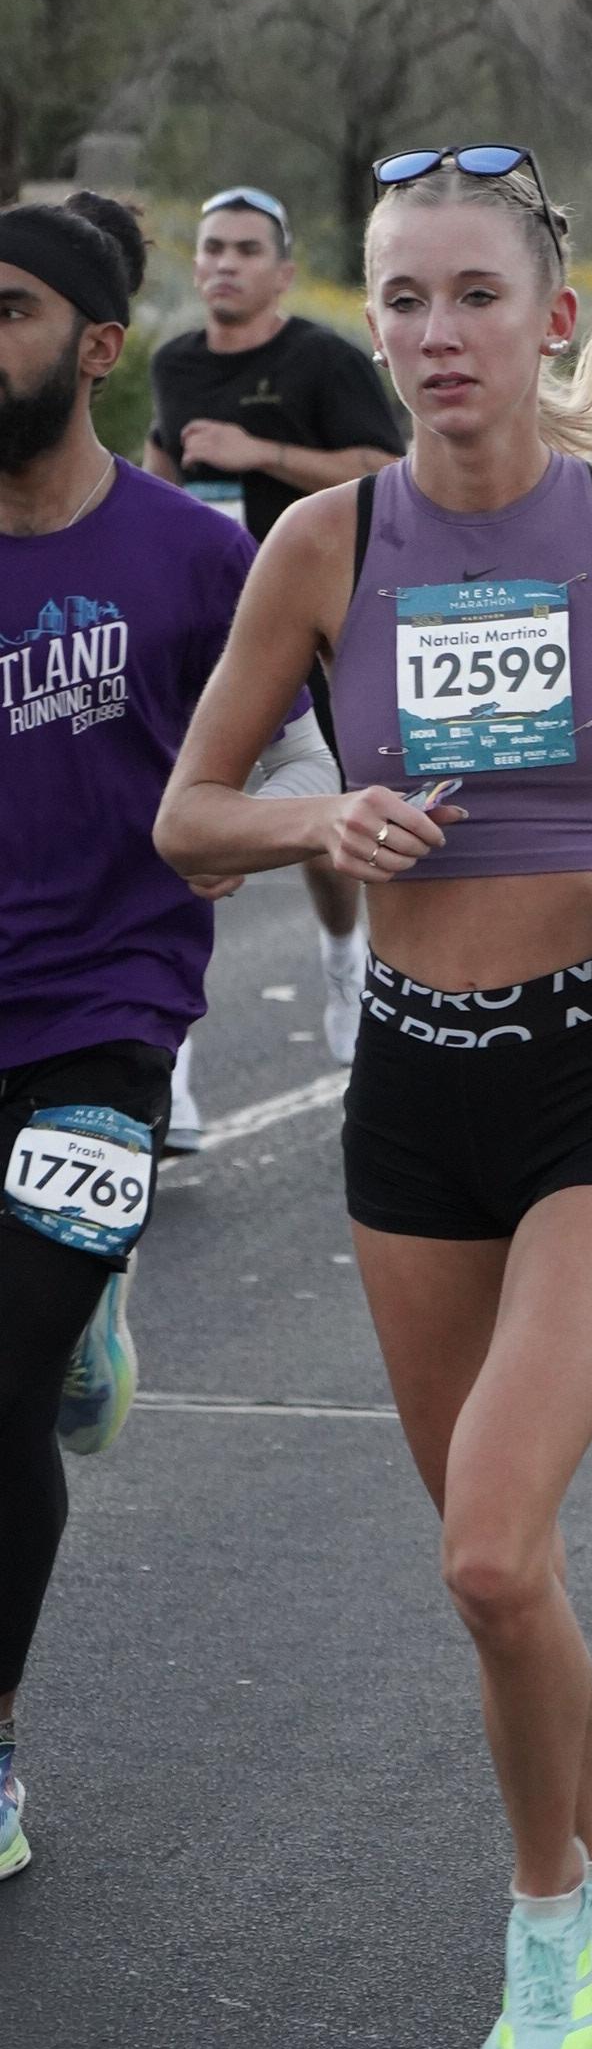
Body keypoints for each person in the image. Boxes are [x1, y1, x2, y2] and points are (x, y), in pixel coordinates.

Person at [156, 146, 592, 2049]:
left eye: (475, 294)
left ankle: (549, 1917)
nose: (437, 331)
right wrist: (320, 813)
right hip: (410, 1096)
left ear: (551, 320)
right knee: (509, 1566)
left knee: (480, 1551)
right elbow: (190, 818)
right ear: (370, 327)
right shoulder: (326, 551)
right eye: (402, 298)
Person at [0, 192, 332, 1882]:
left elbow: (294, 767)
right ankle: (83, 1327)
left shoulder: (196, 559)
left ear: (97, 349)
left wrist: (284, 826)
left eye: (8, 310)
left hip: (107, 1022)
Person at [147, 187, 406, 1129]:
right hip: (201, 632)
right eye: (212, 247)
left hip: (320, 627)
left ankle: (343, 960)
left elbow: (385, 472)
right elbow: (162, 467)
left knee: (326, 820)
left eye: (246, 249)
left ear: (283, 271)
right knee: (178, 828)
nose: (224, 263)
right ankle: (165, 1069)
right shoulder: (174, 362)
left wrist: (260, 450)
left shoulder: (322, 360)